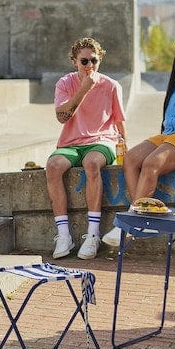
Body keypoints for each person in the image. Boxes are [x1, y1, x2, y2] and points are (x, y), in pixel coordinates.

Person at [102, 33, 175, 246]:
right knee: (130, 159)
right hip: (170, 136)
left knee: (151, 163)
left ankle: (133, 220)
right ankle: (141, 213)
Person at [47, 37, 126, 260]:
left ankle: (92, 235)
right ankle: (63, 235)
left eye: (94, 60)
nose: (89, 66)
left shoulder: (111, 86)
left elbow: (120, 122)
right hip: (71, 143)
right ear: (74, 62)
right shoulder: (65, 83)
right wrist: (84, 89)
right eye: (84, 61)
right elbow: (62, 117)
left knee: (91, 163)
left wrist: (125, 151)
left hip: (102, 141)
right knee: (53, 166)